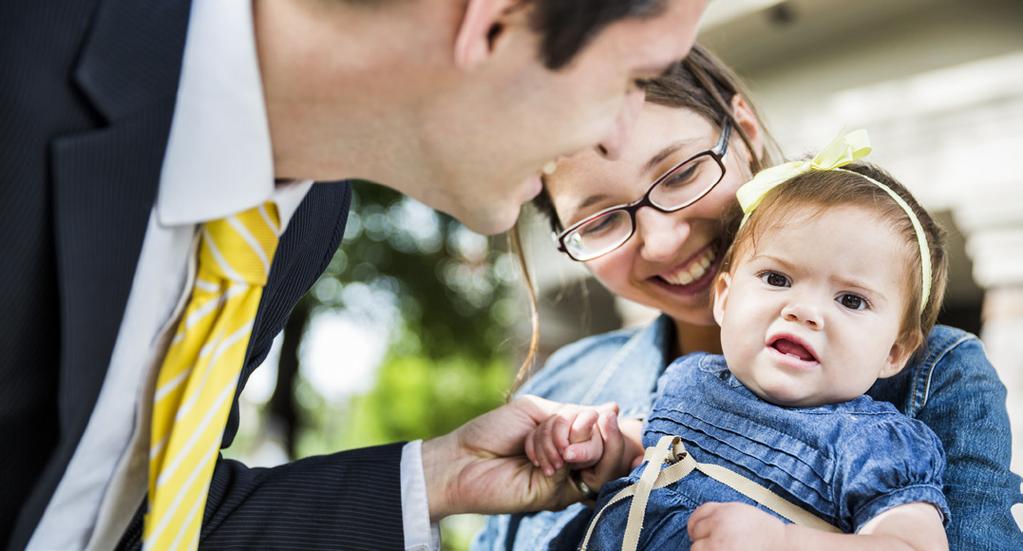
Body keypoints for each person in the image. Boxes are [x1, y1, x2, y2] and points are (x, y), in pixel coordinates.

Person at [0, 0, 708, 549]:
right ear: (492, 21)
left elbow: (125, 522)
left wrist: (431, 475)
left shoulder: (304, 216)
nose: (617, 133)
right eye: (632, 79)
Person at [475, 45, 1022, 550]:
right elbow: (663, 441)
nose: (663, 242)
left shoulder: (906, 410)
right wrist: (602, 452)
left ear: (745, 128)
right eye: (600, 220)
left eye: (682, 172)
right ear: (723, 294)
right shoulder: (576, 388)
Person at [529, 143, 952, 550]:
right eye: (777, 278)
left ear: (895, 352)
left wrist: (784, 544)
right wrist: (602, 448)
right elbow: (658, 451)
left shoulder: (870, 443)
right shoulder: (691, 379)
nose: (803, 311)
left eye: (851, 300)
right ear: (725, 299)